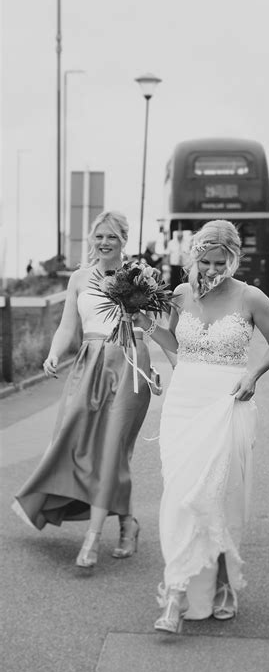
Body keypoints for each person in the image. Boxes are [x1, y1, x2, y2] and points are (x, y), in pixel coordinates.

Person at [133, 219, 269, 634]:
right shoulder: (181, 294)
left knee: (216, 497)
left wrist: (253, 375)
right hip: (184, 404)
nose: (213, 270)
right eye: (205, 262)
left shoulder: (250, 296)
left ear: (234, 258)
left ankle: (221, 585)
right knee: (181, 497)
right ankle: (176, 593)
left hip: (228, 403)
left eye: (221, 262)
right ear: (194, 257)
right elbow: (175, 347)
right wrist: (143, 322)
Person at [12, 211, 151, 568]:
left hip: (129, 362)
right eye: (99, 237)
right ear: (92, 239)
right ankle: (127, 521)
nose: (104, 243)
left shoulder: (138, 276)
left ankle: (95, 538)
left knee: (113, 449)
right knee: (72, 439)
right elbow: (67, 327)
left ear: (124, 240)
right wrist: (53, 354)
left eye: (112, 237)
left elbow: (151, 325)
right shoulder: (78, 278)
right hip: (88, 362)